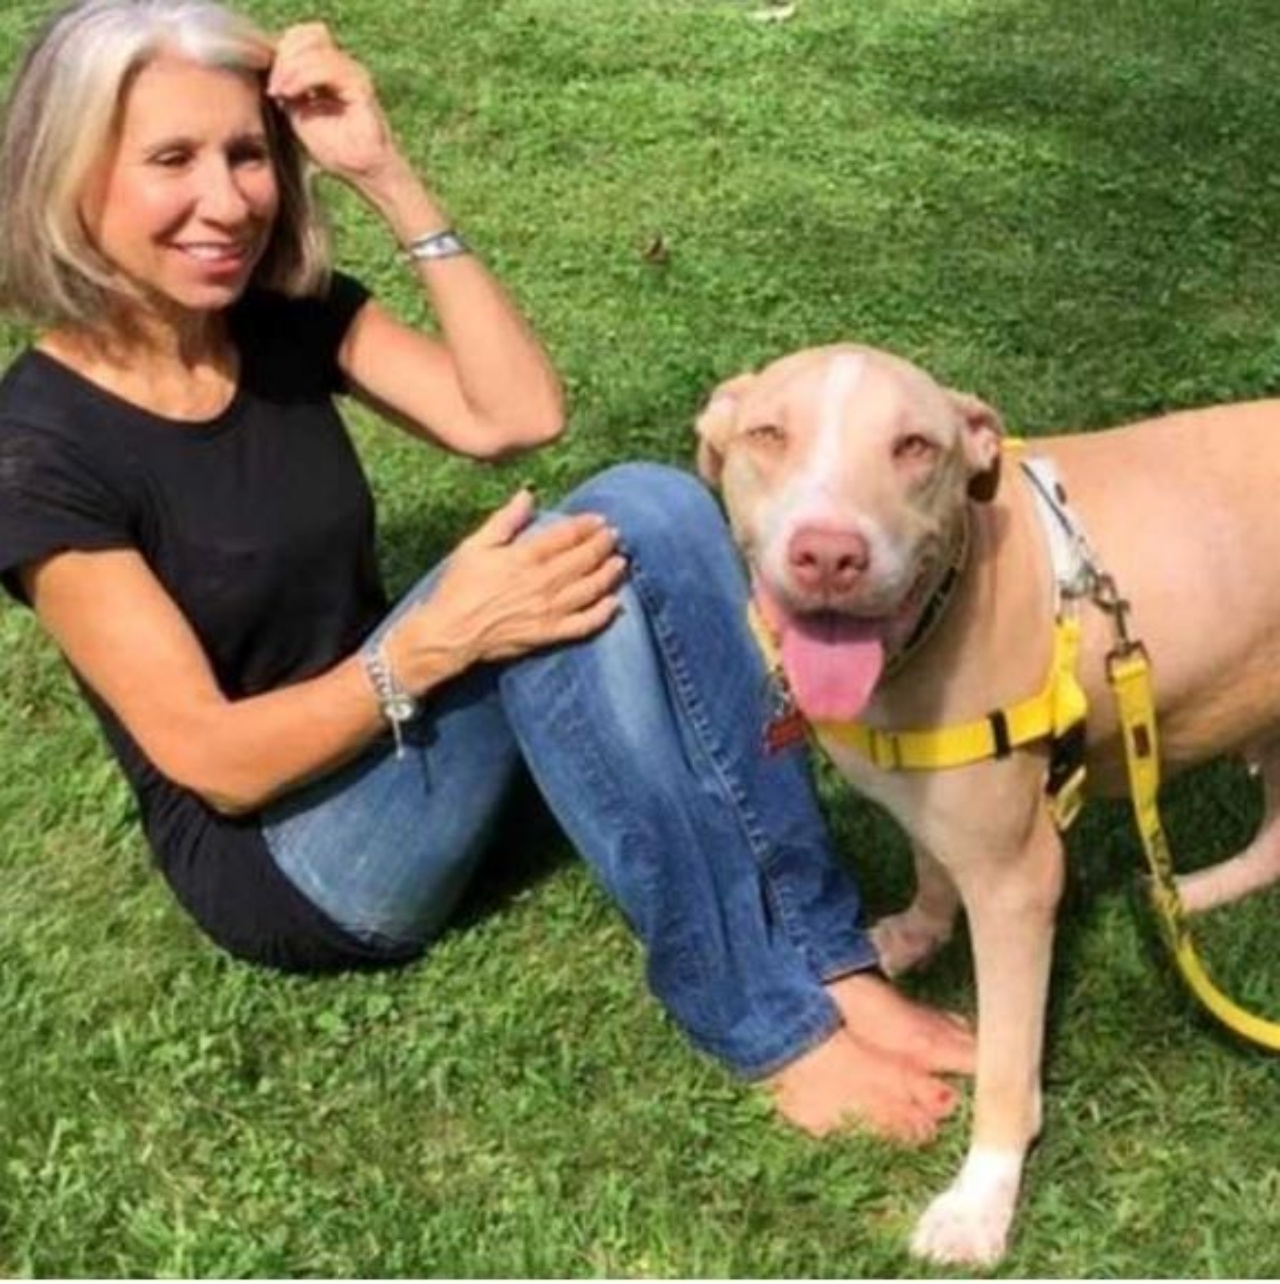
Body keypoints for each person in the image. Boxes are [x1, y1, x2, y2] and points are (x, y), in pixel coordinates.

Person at [0, 0, 973, 1142]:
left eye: (246, 153)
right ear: (71, 175)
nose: (228, 202)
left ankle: (825, 953)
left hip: (413, 749)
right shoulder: (38, 455)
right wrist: (429, 647)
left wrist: (386, 173)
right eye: (173, 159)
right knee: (555, 585)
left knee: (647, 503)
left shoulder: (273, 319)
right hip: (295, 859)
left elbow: (515, 415)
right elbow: (213, 762)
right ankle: (760, 1021)